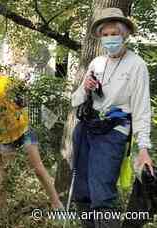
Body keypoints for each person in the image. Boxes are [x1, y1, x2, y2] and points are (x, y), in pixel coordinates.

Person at [71, 8, 154, 228]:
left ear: (124, 34)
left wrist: (144, 148)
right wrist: (86, 88)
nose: (109, 39)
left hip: (114, 132)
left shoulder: (137, 65)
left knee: (101, 194)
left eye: (113, 34)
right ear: (99, 36)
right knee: (82, 191)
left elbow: (142, 109)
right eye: (105, 35)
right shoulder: (96, 63)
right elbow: (75, 100)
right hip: (88, 128)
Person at [0, 52, 63, 214]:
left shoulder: (7, 81)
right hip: (4, 137)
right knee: (5, 174)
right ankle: (1, 213)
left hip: (23, 129)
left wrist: (21, 98)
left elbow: (23, 100)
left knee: (38, 168)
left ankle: (57, 205)